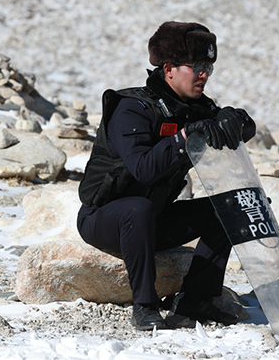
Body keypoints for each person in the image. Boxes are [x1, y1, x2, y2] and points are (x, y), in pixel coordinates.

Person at [77, 21, 257, 331]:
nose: (204, 75)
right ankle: (145, 306)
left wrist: (234, 117)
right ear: (169, 69)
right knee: (138, 208)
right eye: (196, 67)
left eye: (208, 68)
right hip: (104, 219)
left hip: (155, 220)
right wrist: (184, 137)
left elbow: (244, 131)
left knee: (226, 208)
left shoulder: (195, 108)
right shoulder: (132, 109)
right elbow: (144, 170)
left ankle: (196, 300)